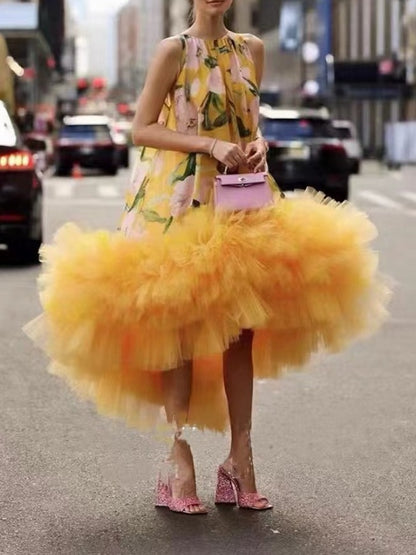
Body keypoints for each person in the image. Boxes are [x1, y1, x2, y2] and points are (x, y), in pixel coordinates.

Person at [24, 0, 390, 516]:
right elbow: (142, 129)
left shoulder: (251, 49)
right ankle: (178, 460)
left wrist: (258, 144)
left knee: (241, 330)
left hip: (241, 197)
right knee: (181, 329)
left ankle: (240, 459)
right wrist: (207, 146)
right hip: (178, 199)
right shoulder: (174, 51)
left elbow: (248, 122)